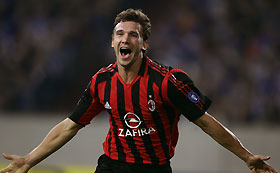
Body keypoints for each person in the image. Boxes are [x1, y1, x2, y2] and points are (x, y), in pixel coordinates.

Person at [0, 8, 278, 173]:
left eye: (134, 34)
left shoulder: (168, 81)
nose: (126, 38)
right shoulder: (101, 81)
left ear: (144, 44)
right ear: (112, 42)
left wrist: (246, 156)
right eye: (120, 34)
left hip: (153, 169)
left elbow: (206, 122)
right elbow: (70, 126)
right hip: (111, 165)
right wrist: (29, 160)